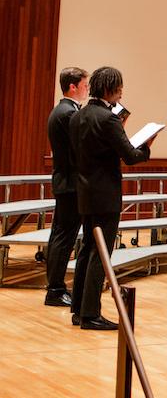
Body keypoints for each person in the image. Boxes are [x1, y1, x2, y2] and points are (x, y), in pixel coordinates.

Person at [69, 66, 153, 330]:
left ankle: (78, 309)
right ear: (109, 89)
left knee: (86, 250)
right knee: (101, 253)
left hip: (84, 191)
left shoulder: (79, 115)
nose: (121, 92)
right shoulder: (108, 118)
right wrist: (146, 147)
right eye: (119, 87)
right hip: (105, 193)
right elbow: (129, 156)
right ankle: (91, 313)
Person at [44, 67, 90, 307]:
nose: (87, 89)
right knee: (64, 236)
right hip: (70, 183)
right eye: (84, 85)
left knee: (60, 235)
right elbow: (78, 148)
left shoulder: (63, 110)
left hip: (65, 180)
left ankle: (55, 286)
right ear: (73, 86)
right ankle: (55, 289)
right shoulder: (68, 113)